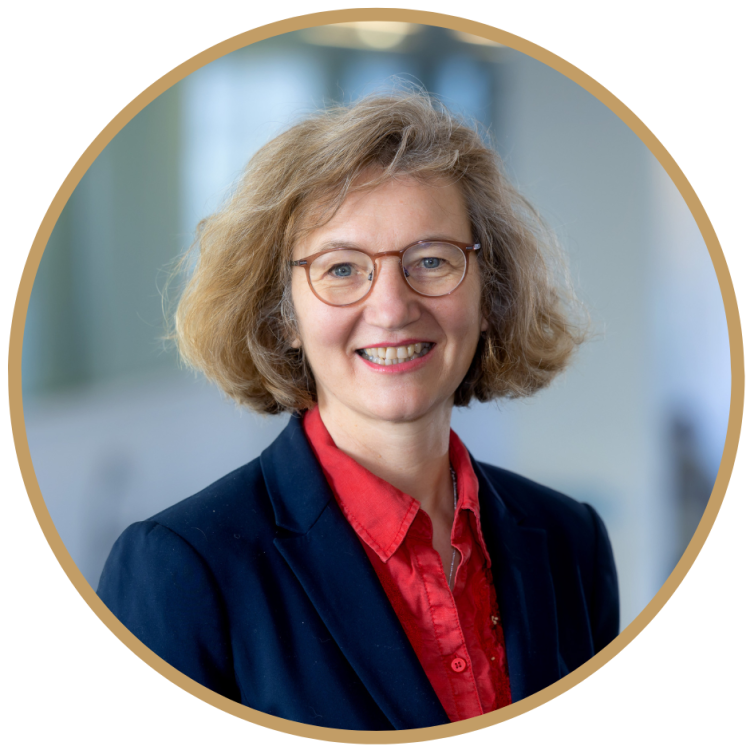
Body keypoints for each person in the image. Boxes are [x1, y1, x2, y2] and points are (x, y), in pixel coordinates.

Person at [97, 90, 619, 731]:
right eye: (342, 269)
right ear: (283, 316)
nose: (393, 308)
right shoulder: (180, 569)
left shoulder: (570, 542)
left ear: (490, 297)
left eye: (432, 260)